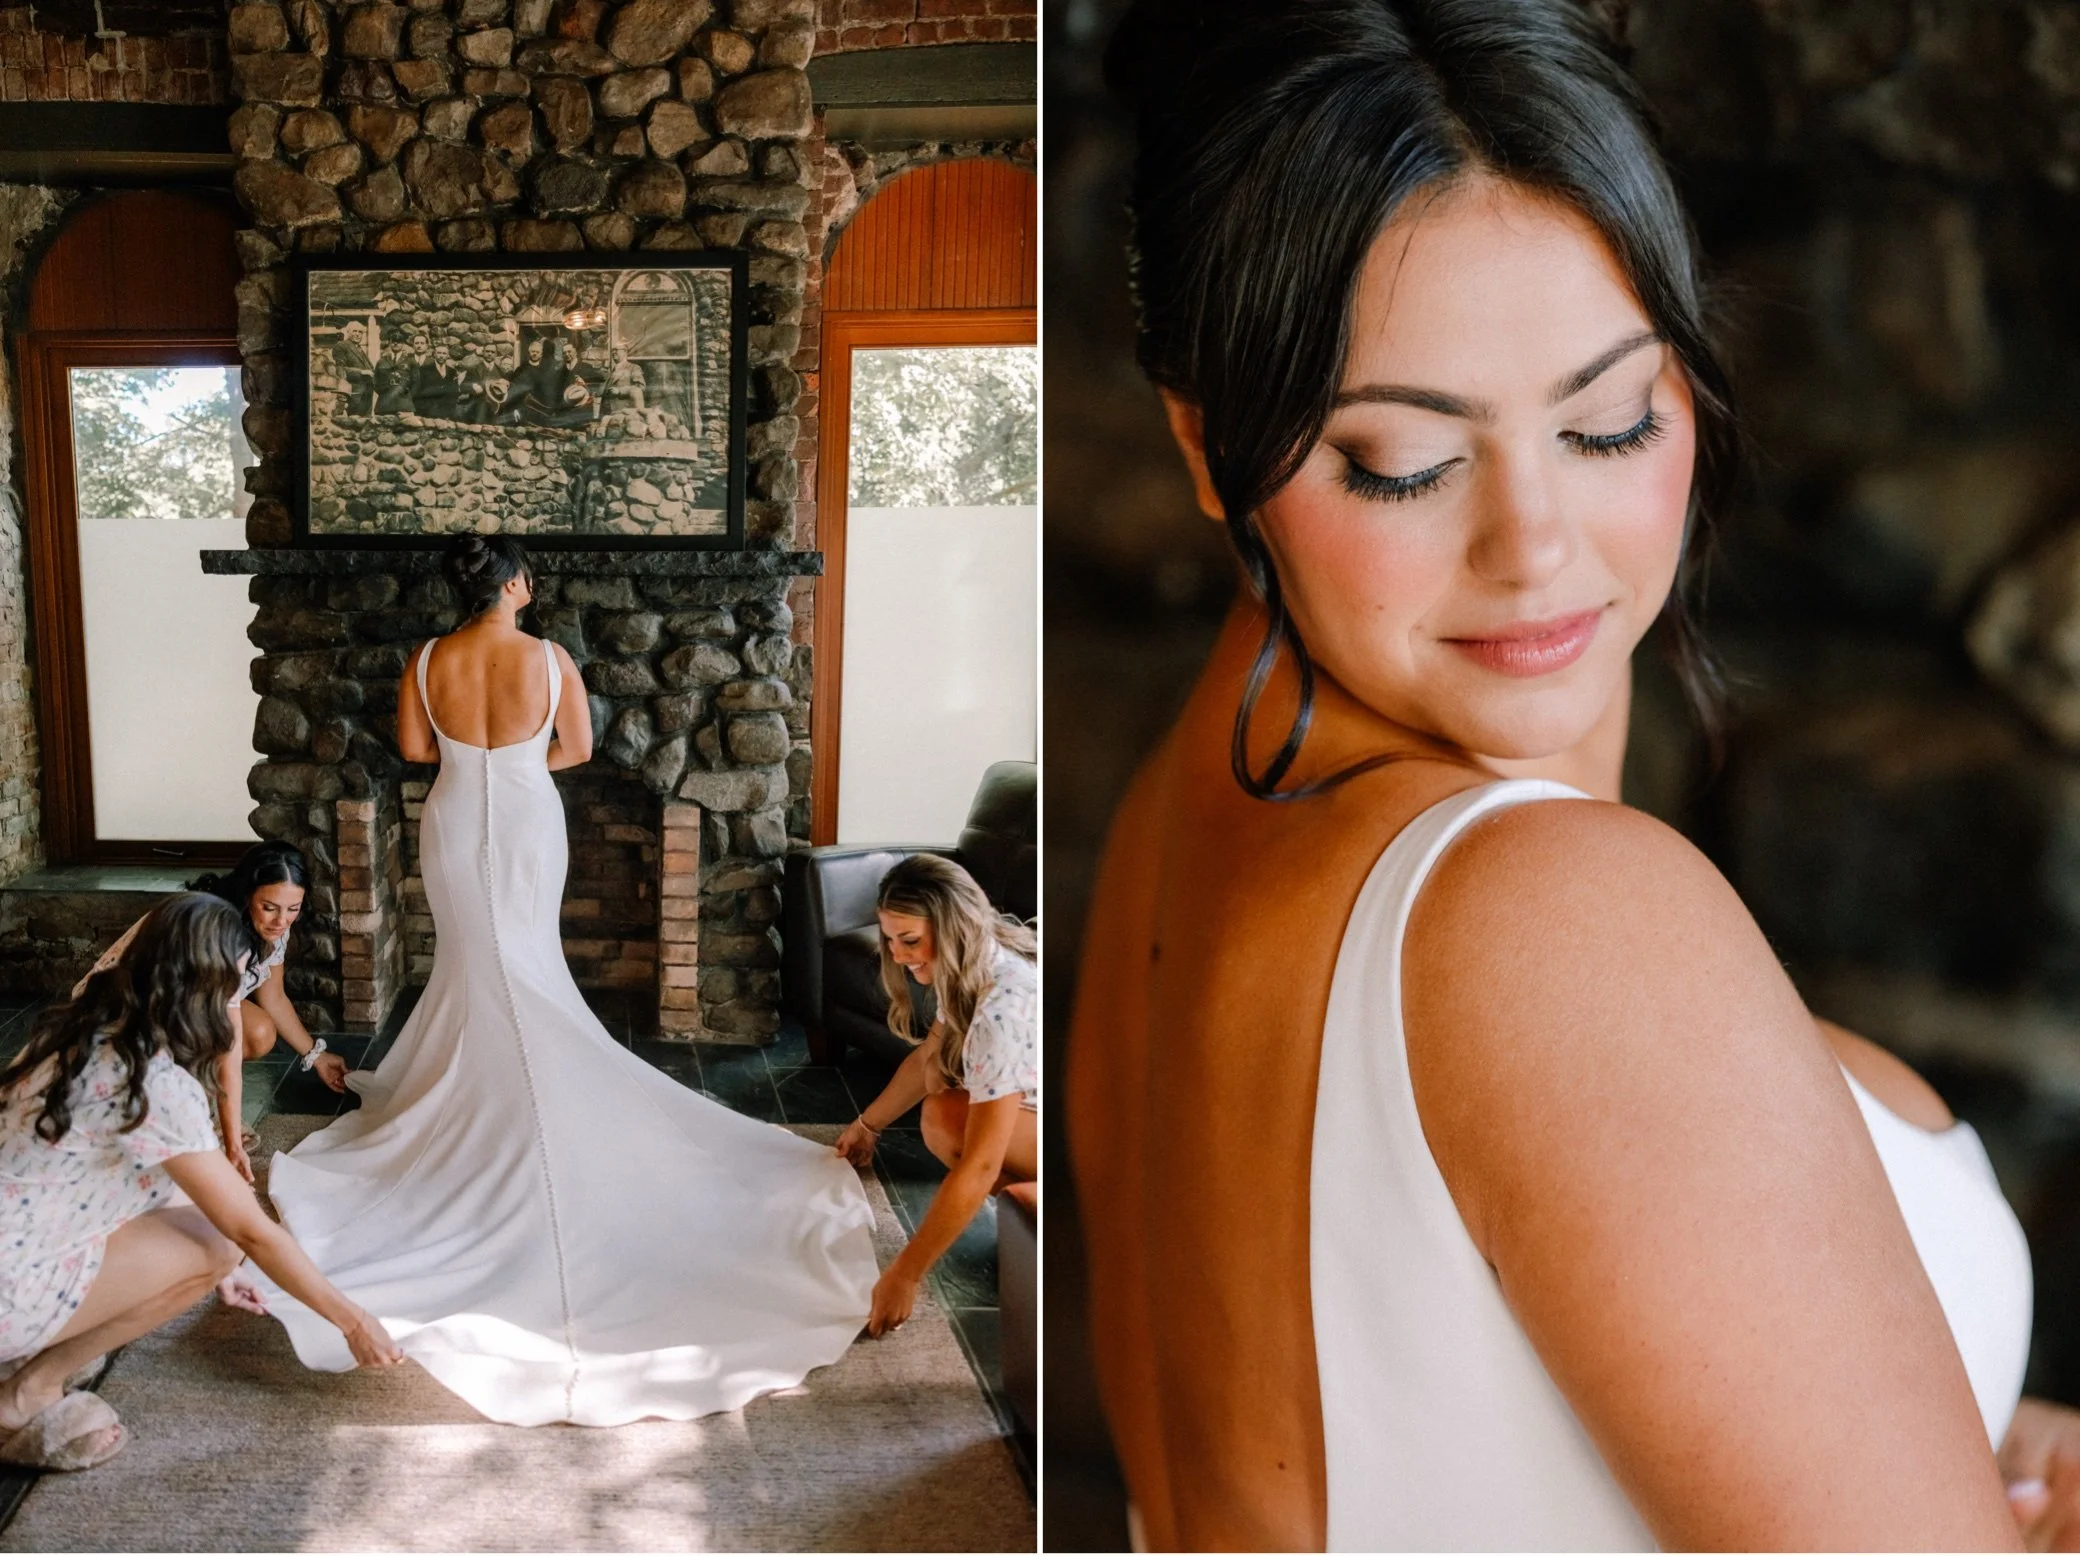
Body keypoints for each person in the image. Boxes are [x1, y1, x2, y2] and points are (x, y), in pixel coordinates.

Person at [1066, 2, 2057, 1549]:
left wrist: (1943, 1438)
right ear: (1206, 449)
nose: (1536, 549)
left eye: (1608, 421)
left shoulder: (1187, 807)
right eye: (1401, 460)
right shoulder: (1551, 921)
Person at [252, 534, 878, 1428]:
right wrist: (517, 765)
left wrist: (480, 769)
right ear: (513, 585)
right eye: (525, 576)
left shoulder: (428, 658)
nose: (529, 585)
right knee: (520, 963)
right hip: (529, 821)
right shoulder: (549, 658)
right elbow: (577, 750)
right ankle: (515, 1103)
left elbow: (416, 749)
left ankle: (486, 1103)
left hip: (454, 814)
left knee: (479, 959)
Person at [0, 894, 402, 1470]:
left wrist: (224, 1273)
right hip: (9, 1289)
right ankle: (24, 1394)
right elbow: (250, 1228)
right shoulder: (154, 1084)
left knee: (207, 1224)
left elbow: (174, 1179)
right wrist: (352, 1321)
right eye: (235, 984)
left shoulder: (74, 1029)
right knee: (219, 1242)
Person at [834, 855, 1037, 1337]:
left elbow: (982, 1164)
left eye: (910, 940)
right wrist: (867, 1126)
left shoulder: (1003, 1006)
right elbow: (930, 1056)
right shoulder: (966, 964)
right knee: (942, 1113)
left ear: (951, 927)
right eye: (890, 940)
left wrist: (905, 1275)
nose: (899, 956)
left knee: (950, 1121)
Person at [75, 843, 346, 1187]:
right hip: (125, 1011)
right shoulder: (224, 935)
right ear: (248, 893)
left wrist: (316, 1055)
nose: (282, 920)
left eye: (293, 908)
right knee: (175, 1118)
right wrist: (231, 1143)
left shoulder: (272, 924)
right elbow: (225, 1045)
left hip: (185, 1009)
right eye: (270, 907)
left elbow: (273, 996)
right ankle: (175, 1107)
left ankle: (194, 1098)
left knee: (260, 1030)